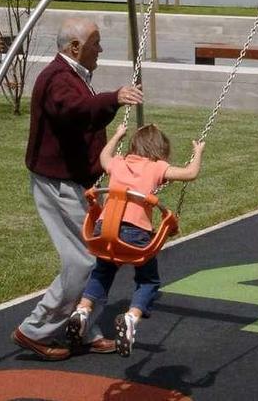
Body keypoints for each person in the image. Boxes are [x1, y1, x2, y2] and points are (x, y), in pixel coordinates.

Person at [11, 18, 144, 361]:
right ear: (74, 48)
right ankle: (34, 329)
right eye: (95, 43)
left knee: (96, 255)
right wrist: (113, 99)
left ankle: (82, 328)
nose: (100, 49)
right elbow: (73, 111)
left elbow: (82, 119)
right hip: (58, 184)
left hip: (74, 182)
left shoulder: (73, 75)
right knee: (82, 260)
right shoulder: (57, 79)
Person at [66, 123, 205, 357]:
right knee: (148, 280)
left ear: (132, 145)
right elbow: (190, 173)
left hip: (103, 231)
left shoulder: (118, 162)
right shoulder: (155, 167)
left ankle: (82, 311)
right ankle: (131, 317)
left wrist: (117, 135)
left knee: (103, 271)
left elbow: (103, 158)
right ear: (159, 150)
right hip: (135, 235)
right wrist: (198, 152)